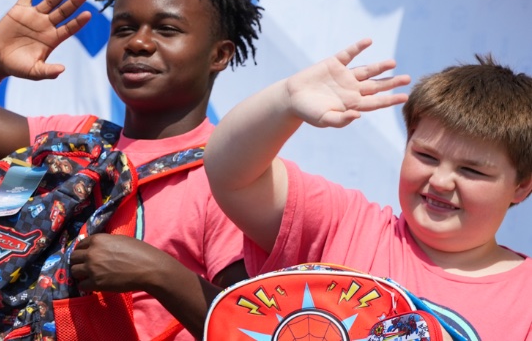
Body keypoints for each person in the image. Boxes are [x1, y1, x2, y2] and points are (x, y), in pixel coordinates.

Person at [0, 0, 263, 338]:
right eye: (123, 28)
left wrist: (160, 273)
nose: (138, 42)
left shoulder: (228, 175)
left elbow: (248, 328)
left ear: (220, 55)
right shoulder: (70, 142)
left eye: (166, 29)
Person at [205, 43, 532, 339]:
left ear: (521, 186)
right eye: (425, 156)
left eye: (471, 170)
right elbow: (232, 174)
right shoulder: (344, 224)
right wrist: (285, 100)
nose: (442, 181)